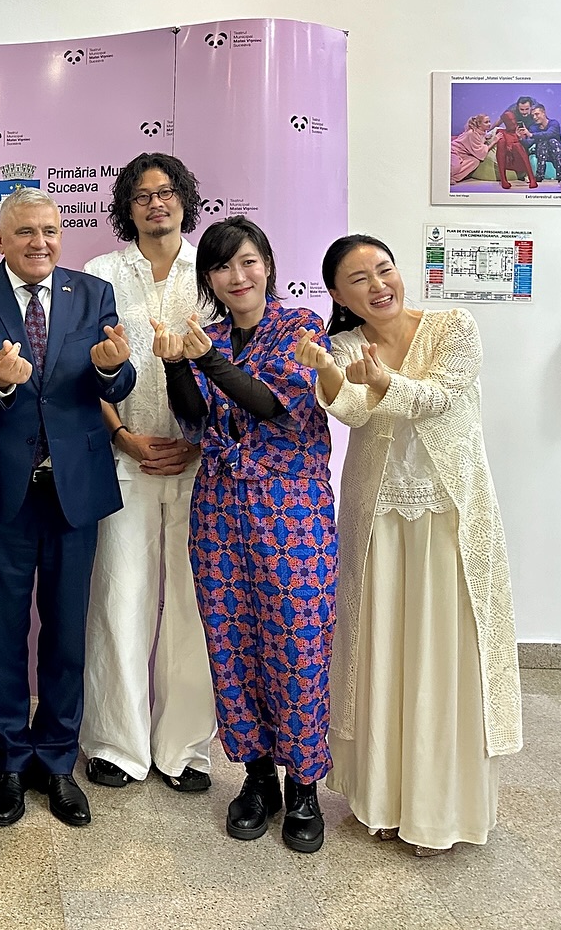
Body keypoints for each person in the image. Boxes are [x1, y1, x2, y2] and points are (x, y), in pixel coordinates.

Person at [297, 235, 522, 856]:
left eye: (384, 270)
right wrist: (328, 372)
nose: (378, 285)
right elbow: (353, 411)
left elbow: (439, 397)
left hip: (449, 520)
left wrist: (385, 379)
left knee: (442, 658)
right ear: (339, 295)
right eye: (359, 279)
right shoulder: (346, 345)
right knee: (384, 651)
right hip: (378, 525)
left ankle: (438, 811)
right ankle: (383, 802)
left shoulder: (453, 327)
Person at [0, 186, 136, 830]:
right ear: (0, 240)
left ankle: (56, 759)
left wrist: (111, 370)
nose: (40, 242)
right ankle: (9, 759)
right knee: (2, 632)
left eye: (50, 230)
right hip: (2, 491)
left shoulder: (92, 293)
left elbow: (116, 378)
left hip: (72, 491)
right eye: (25, 232)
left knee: (66, 631)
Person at [159, 215, 338, 854]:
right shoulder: (205, 336)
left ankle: (304, 783)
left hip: (293, 511)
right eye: (221, 266)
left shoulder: (302, 328)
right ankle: (257, 776)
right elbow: (196, 419)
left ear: (267, 265)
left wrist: (202, 358)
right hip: (218, 510)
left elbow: (273, 404)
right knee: (230, 642)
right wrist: (176, 365)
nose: (236, 276)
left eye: (247, 261)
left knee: (297, 643)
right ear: (208, 279)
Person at [80, 153, 216, 794]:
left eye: (165, 192)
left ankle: (185, 748)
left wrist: (195, 441)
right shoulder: (101, 274)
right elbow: (85, 366)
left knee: (192, 606)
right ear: (125, 207)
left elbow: (231, 362)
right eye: (141, 195)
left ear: (184, 199)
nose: (155, 203)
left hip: (200, 464)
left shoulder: (211, 269)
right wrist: (123, 436)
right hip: (124, 459)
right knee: (120, 599)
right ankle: (116, 743)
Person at [518, 102, 561, 183]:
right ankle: (539, 175)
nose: (535, 117)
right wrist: (520, 138)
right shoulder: (534, 128)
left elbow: (549, 134)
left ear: (544, 113)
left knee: (552, 141)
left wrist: (531, 134)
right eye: (533, 115)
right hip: (542, 155)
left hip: (558, 154)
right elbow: (528, 143)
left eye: (537, 114)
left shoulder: (554, 123)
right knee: (542, 143)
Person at [449, 114, 500, 184]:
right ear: (479, 124)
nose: (489, 124)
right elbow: (481, 151)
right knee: (455, 166)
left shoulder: (482, 133)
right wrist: (494, 141)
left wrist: (485, 138)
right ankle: (446, 177)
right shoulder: (472, 133)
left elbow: (479, 143)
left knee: (475, 161)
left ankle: (454, 178)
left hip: (463, 154)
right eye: (486, 122)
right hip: (454, 151)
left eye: (489, 121)